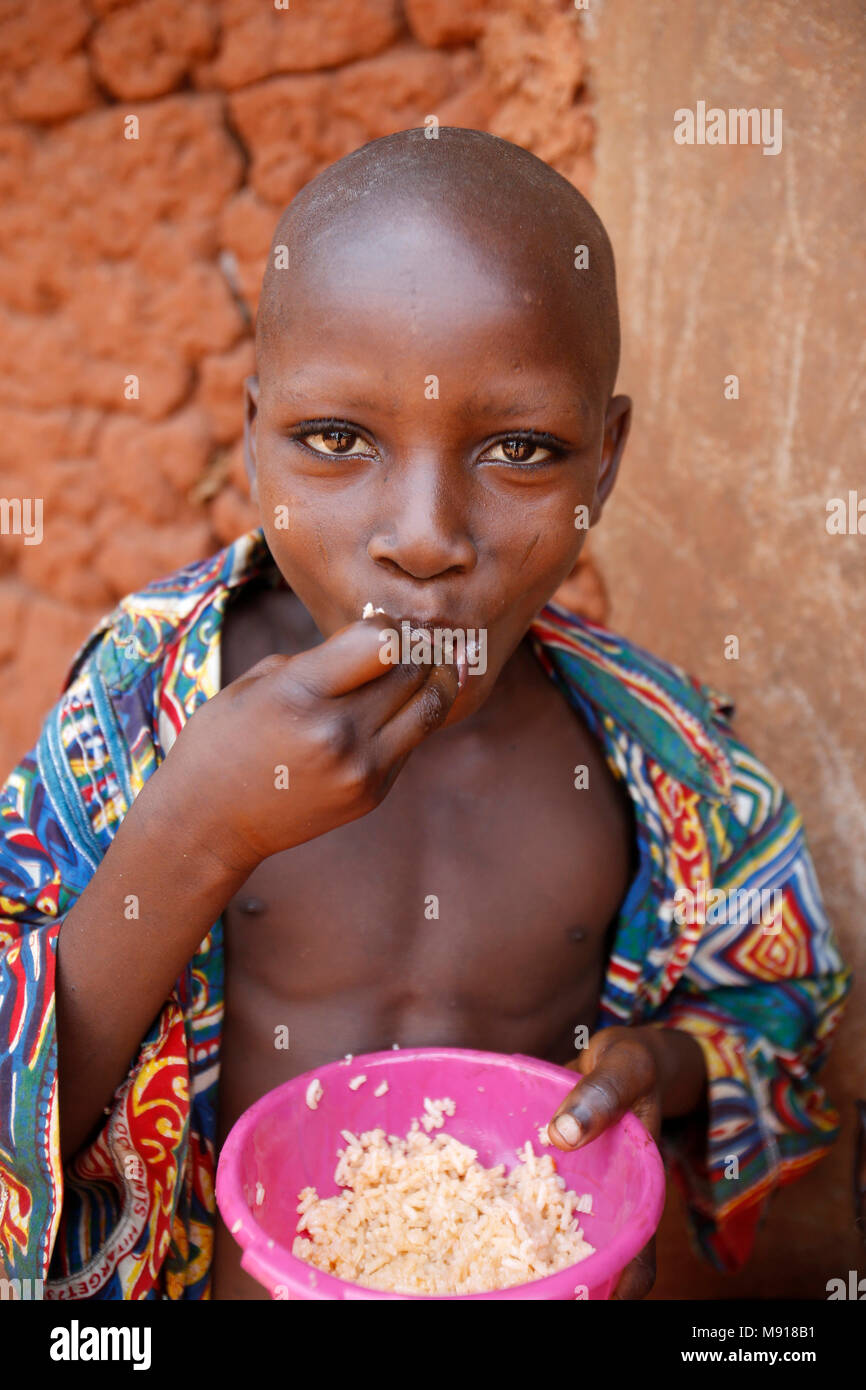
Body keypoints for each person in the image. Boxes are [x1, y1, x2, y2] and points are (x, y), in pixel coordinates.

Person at [0, 128, 850, 1301]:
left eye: (518, 449)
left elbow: (779, 999)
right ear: (253, 434)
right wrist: (194, 831)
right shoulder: (140, 717)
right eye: (336, 440)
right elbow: (12, 1094)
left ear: (600, 464)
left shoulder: (662, 764)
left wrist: (663, 1066)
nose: (422, 535)